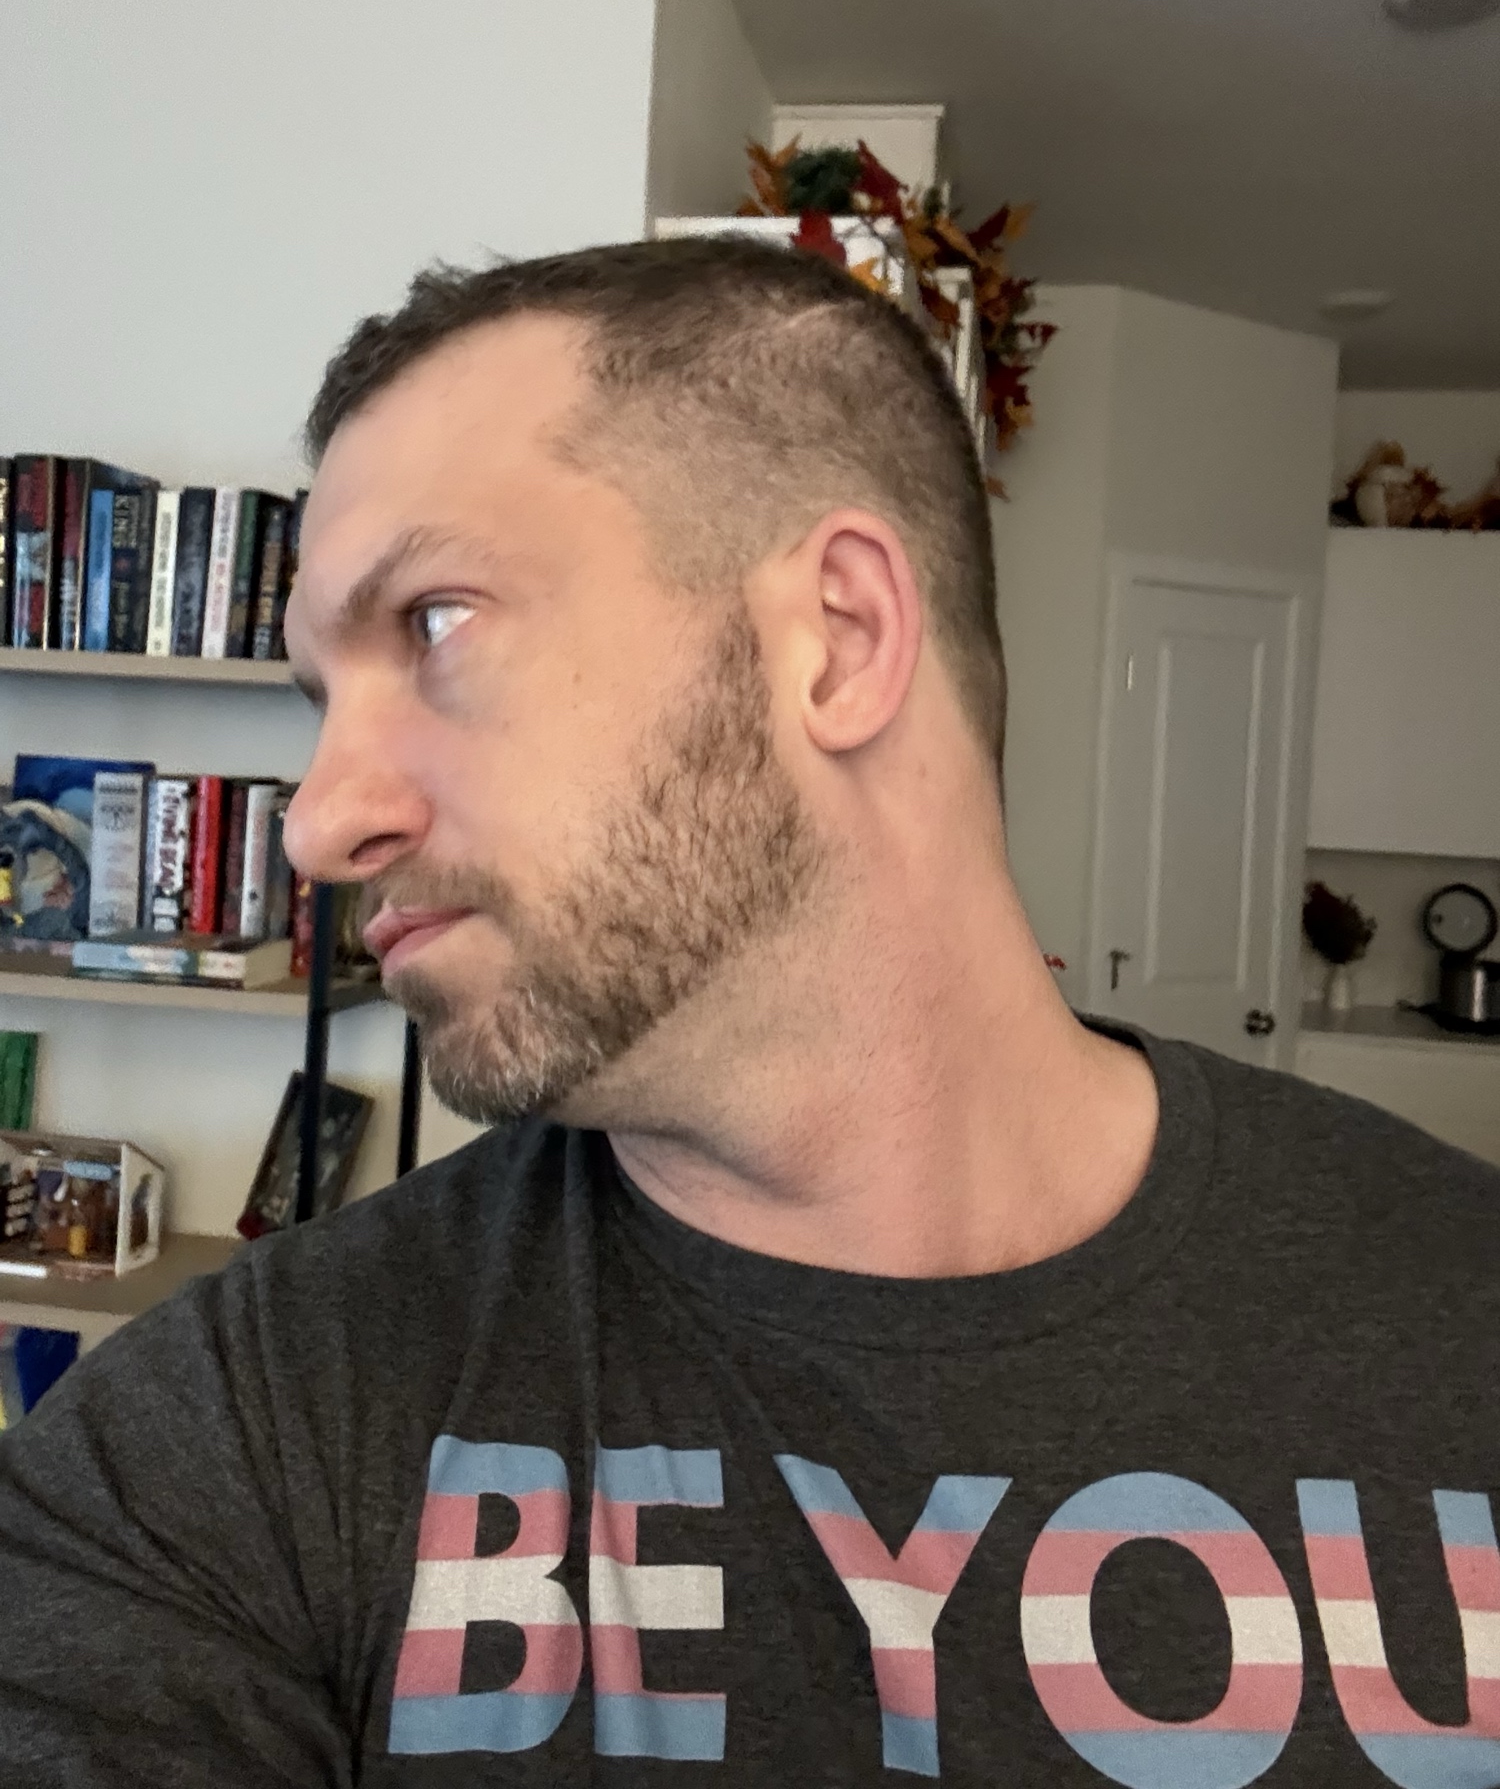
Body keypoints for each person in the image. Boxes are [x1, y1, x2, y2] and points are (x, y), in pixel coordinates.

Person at [1, 238, 1496, 1789]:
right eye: (323, 702)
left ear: (838, 639)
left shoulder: (1463, 1324)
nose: (318, 825)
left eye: (435, 624)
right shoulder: (249, 1427)